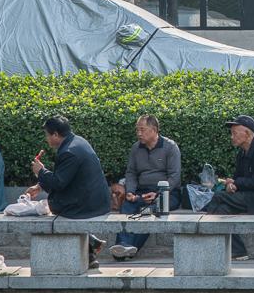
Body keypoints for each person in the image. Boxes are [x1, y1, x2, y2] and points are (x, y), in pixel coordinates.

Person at [27, 115, 112, 269]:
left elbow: (60, 183)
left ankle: (91, 243)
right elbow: (66, 177)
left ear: (55, 135)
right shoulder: (77, 142)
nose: (47, 139)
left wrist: (41, 172)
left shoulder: (68, 152)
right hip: (94, 199)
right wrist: (40, 186)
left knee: (55, 209)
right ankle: (91, 250)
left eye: (47, 135)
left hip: (87, 204)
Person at [203, 115, 254, 261]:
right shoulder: (242, 153)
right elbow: (238, 179)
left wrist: (235, 182)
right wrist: (231, 186)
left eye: (235, 133)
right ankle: (239, 251)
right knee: (223, 210)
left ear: (247, 133)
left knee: (219, 196)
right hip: (250, 196)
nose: (231, 137)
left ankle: (204, 232)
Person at [109, 115, 182, 262]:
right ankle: (123, 245)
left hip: (166, 193)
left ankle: (128, 249)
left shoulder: (170, 147)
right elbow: (131, 173)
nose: (139, 134)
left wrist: (157, 194)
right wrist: (130, 192)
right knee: (127, 207)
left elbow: (174, 177)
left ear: (154, 130)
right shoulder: (136, 148)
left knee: (150, 212)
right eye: (137, 130)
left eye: (143, 130)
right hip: (141, 192)